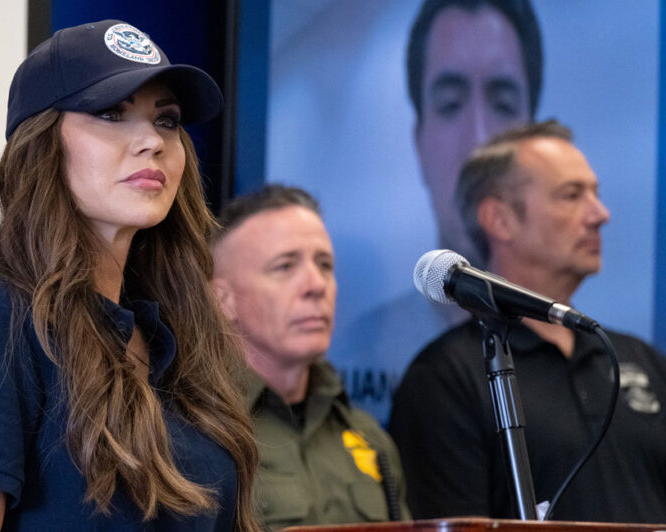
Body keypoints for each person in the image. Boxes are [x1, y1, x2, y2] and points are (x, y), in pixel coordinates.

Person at [0, 19, 260, 531]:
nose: (151, 142)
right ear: (42, 144)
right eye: (111, 113)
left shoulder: (176, 334)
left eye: (168, 121)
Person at [389, 120, 666, 522]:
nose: (601, 214)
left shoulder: (635, 356)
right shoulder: (446, 376)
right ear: (499, 219)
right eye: (572, 195)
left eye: (596, 194)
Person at [328, 0, 544, 425]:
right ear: (419, 143)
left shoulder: (577, 344)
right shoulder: (353, 348)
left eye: (502, 104)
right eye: (450, 104)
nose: (479, 139)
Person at [210, 185, 409, 528]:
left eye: (325, 265)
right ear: (223, 300)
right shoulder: (199, 430)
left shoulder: (368, 437)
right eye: (285, 266)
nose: (316, 284)